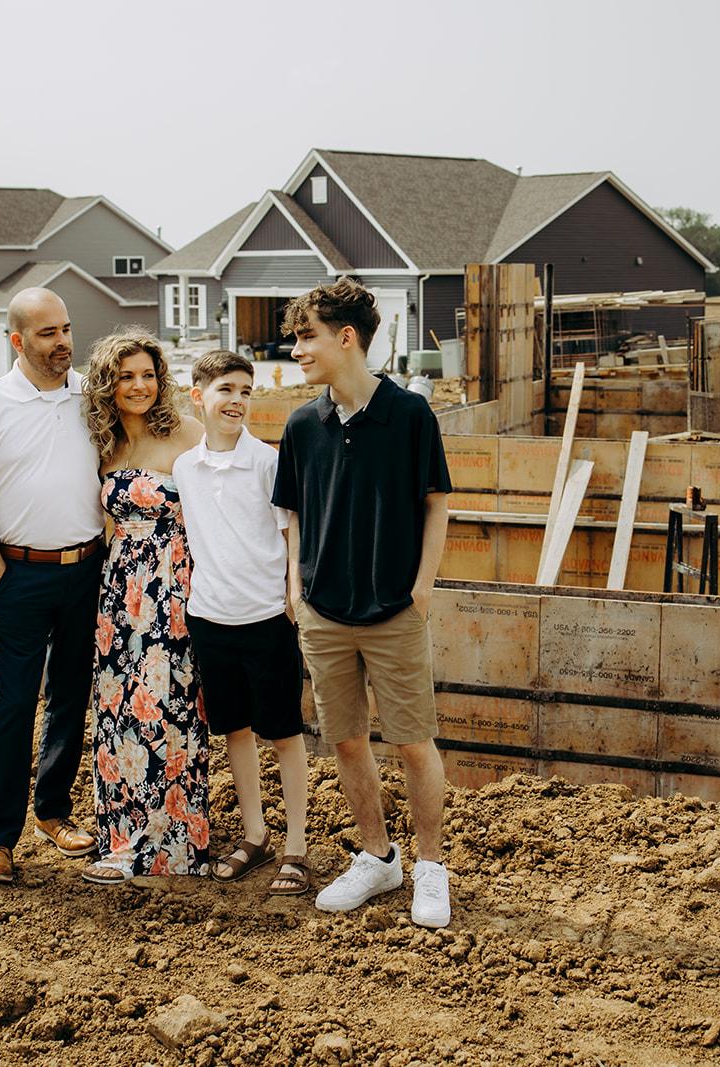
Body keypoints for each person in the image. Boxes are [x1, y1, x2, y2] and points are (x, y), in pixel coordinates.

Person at [272, 279, 455, 928]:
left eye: (306, 336)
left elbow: (437, 503)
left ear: (345, 338)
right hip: (324, 613)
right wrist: (296, 587)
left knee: (412, 741)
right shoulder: (302, 424)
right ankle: (379, 858)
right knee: (347, 741)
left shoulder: (408, 416)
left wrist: (423, 587)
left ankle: (430, 865)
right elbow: (290, 513)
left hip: (394, 611)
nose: (296, 349)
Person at [0, 287, 103, 885]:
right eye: (48, 333)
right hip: (19, 572)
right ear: (17, 340)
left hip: (86, 568)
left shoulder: (92, 395)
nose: (63, 341)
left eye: (66, 329)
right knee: (15, 705)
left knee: (71, 695)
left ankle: (54, 812)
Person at [172, 350, 312, 895]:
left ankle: (296, 846)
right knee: (235, 730)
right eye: (226, 389)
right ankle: (255, 837)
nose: (237, 401)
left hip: (266, 619)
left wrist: (291, 593)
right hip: (210, 617)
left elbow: (289, 531)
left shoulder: (267, 463)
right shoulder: (186, 467)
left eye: (246, 392)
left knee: (284, 734)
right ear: (198, 395)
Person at [79, 328, 209, 883]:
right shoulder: (104, 445)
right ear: (109, 383)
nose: (139, 386)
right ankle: (122, 837)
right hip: (118, 591)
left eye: (148, 375)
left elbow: (221, 508)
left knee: (168, 706)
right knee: (117, 711)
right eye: (127, 376)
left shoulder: (188, 434)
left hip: (173, 585)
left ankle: (171, 843)